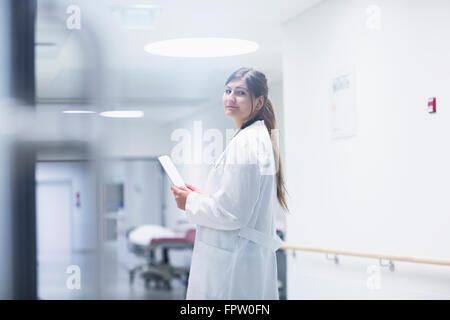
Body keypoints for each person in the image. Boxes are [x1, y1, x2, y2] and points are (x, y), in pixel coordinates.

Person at [170, 67, 289, 299]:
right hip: (241, 259)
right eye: (228, 90)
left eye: (241, 92)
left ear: (258, 101)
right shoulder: (254, 138)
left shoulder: (246, 144)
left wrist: (191, 202)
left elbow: (233, 214)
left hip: (233, 265)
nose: (231, 97)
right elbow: (237, 202)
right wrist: (204, 198)